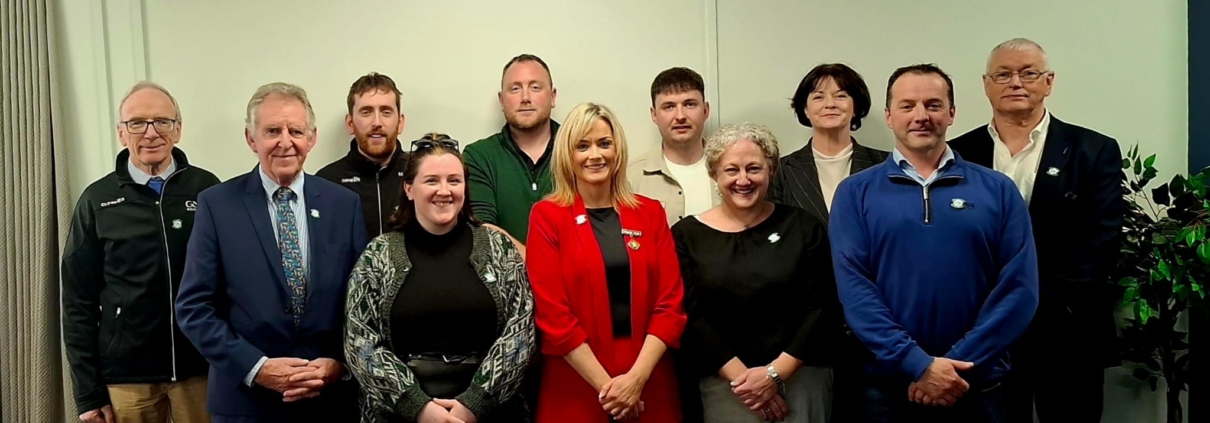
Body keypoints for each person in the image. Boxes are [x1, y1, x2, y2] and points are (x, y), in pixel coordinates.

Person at [829, 64, 1039, 422]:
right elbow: (855, 290)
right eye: (908, 105)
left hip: (977, 382)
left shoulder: (998, 190)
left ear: (952, 113)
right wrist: (918, 365)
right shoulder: (855, 193)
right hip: (888, 386)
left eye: (933, 104)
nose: (921, 116)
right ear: (889, 115)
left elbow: (1020, 290)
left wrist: (955, 368)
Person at [948, 38, 1126, 423]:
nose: (1016, 82)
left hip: (1067, 329)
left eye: (1028, 73)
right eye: (1003, 74)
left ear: (1049, 82)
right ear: (985, 84)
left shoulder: (1092, 150)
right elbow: (947, 243)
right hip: (981, 332)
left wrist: (1027, 304)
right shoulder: (956, 154)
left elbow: (1101, 241)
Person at [176, 82, 368, 422]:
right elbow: (193, 307)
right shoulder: (217, 205)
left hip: (327, 401)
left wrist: (339, 364)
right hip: (245, 403)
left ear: (312, 137)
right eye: (272, 131)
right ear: (252, 139)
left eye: (295, 130)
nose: (285, 141)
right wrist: (256, 368)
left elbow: (362, 303)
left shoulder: (344, 204)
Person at [343, 134, 536, 423]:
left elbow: (522, 333)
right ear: (409, 188)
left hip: (491, 413)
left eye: (454, 181)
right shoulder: (378, 255)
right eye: (431, 180)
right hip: (400, 416)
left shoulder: (499, 248)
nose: (444, 191)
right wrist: (420, 409)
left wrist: (472, 405)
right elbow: (359, 342)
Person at [62, 81, 218, 423]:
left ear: (178, 130)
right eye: (137, 123)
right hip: (127, 381)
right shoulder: (97, 200)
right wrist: (88, 394)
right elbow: (77, 304)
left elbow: (232, 282)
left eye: (162, 121)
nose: (151, 133)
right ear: (121, 132)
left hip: (201, 371)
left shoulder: (208, 190)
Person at [527, 102, 686, 422]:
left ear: (618, 149)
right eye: (582, 146)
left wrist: (636, 380)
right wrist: (611, 391)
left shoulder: (650, 213)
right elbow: (553, 315)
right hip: (576, 387)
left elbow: (670, 305)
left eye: (604, 143)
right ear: (567, 155)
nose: (595, 155)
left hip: (649, 382)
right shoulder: (547, 216)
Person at [672, 123, 841, 423]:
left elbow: (823, 308)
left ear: (771, 170)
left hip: (801, 379)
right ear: (714, 174)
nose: (743, 180)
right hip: (726, 385)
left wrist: (775, 375)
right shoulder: (686, 235)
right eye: (731, 170)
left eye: (754, 168)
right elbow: (691, 316)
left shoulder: (804, 227)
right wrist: (746, 381)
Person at [766, 64, 888, 421]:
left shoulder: (884, 167)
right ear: (805, 108)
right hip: (804, 327)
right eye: (817, 95)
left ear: (857, 106)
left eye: (841, 94)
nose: (829, 103)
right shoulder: (782, 172)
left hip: (874, 321)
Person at [464, 54, 561, 246]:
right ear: (502, 100)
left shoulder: (579, 150)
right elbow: (482, 231)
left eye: (535, 87)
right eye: (515, 89)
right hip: (505, 275)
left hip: (575, 276)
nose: (525, 98)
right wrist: (538, 267)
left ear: (552, 96)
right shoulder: (478, 156)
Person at [317, 72, 410, 238]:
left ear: (400, 123)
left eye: (386, 112)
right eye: (366, 112)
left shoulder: (420, 174)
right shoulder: (327, 182)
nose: (377, 122)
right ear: (350, 123)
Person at [628, 67, 719, 226]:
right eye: (669, 106)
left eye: (689, 104)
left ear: (705, 110)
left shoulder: (732, 171)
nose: (680, 116)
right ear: (654, 114)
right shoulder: (630, 178)